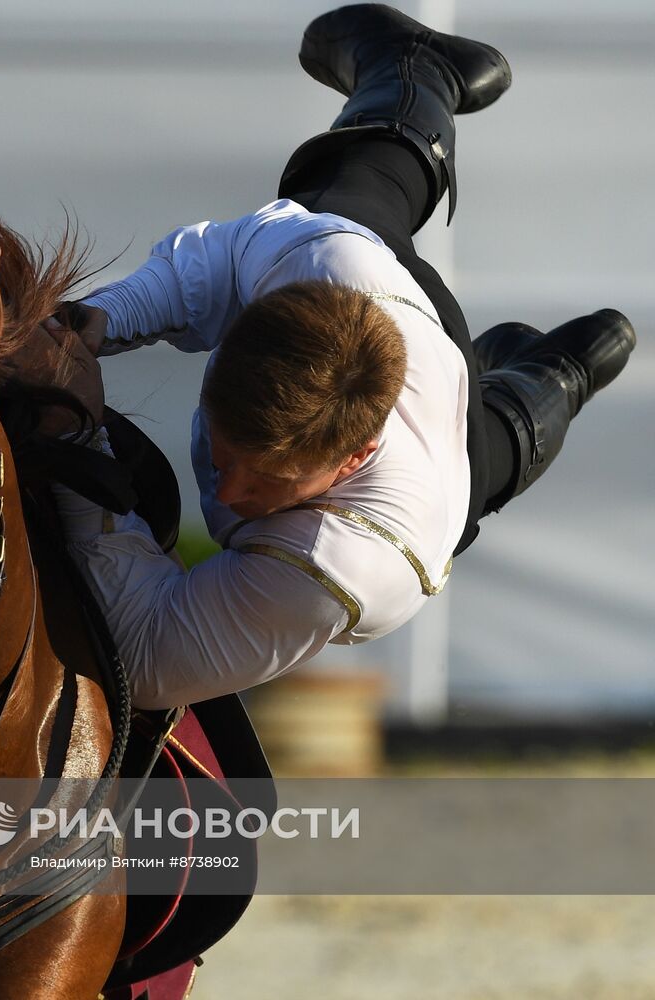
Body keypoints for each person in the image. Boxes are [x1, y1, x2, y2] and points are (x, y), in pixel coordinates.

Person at [43, 4, 636, 709]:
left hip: (421, 485)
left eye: (261, 478)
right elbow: (203, 264)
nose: (227, 495)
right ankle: (414, 66)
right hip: (380, 291)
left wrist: (75, 438)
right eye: (226, 457)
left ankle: (561, 370)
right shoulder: (319, 256)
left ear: (351, 458)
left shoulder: (347, 556)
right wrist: (87, 327)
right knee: (352, 197)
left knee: (494, 451)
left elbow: (143, 657)